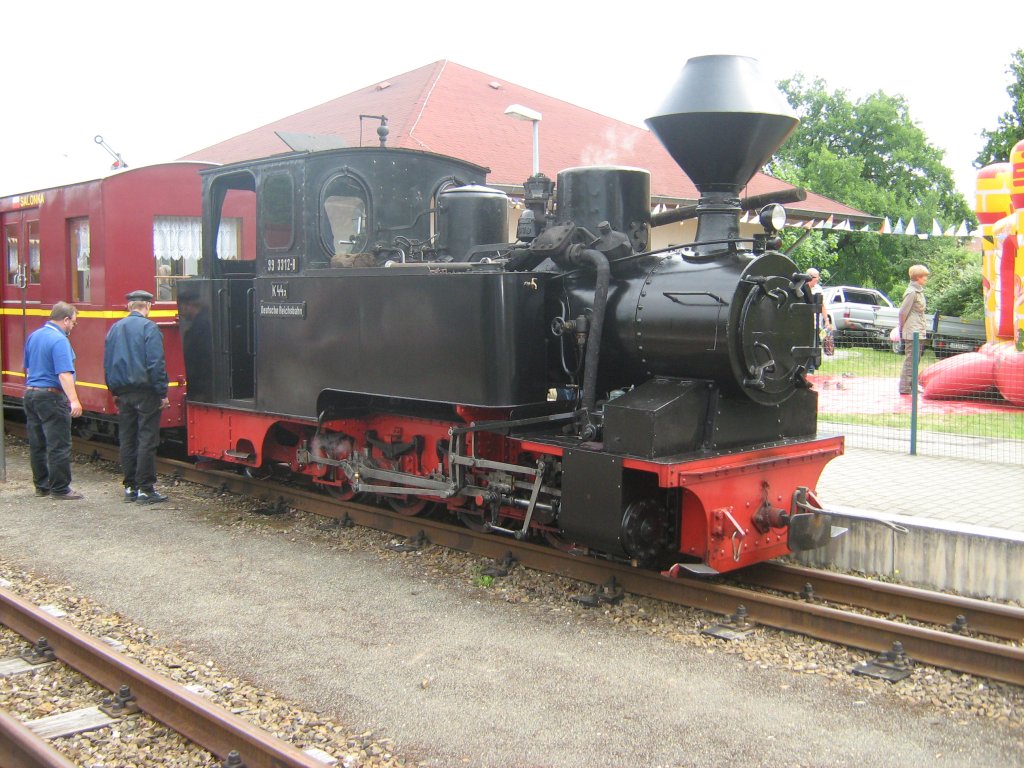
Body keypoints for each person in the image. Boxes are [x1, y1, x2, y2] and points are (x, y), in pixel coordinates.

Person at [104, 289, 170, 503]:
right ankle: (146, 488)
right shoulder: (149, 328)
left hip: (123, 392)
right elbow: (156, 363)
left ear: (129, 306)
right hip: (146, 392)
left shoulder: (115, 328)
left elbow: (107, 363)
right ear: (148, 306)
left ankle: (130, 487)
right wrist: (162, 392)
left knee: (128, 439)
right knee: (147, 439)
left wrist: (113, 391)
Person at [23, 302, 84, 499]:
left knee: (37, 442)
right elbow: (64, 373)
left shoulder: (34, 336)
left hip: (31, 394)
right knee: (58, 443)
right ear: (65, 320)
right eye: (73, 322)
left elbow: (28, 368)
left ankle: (42, 486)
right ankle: (60, 488)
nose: (73, 326)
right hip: (51, 396)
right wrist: (74, 400)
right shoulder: (59, 340)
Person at [897, 264, 930, 395]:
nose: (926, 279)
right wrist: (902, 329)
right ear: (917, 278)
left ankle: (912, 386)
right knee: (911, 360)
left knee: (916, 360)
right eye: (924, 277)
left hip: (919, 330)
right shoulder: (911, 292)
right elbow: (902, 312)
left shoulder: (919, 291)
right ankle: (904, 388)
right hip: (912, 332)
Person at [807, 268, 834, 372]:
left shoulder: (818, 289)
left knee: (814, 346)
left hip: (814, 324)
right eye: (816, 278)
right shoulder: (801, 287)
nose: (817, 280)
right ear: (810, 278)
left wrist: (826, 320)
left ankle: (811, 368)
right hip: (802, 324)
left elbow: (822, 306)